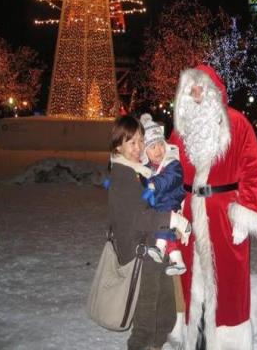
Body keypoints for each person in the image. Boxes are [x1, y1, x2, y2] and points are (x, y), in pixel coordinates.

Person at [168, 65, 257, 350]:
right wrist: (173, 206)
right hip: (189, 214)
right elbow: (171, 170)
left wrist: (245, 213)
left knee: (227, 282)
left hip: (224, 216)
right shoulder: (181, 130)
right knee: (190, 278)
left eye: (200, 87)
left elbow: (252, 171)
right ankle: (195, 337)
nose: (196, 93)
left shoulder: (237, 123)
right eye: (191, 89)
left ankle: (225, 341)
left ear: (212, 89)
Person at [107, 115, 176, 350]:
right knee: (146, 317)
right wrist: (172, 220)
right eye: (132, 142)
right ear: (118, 146)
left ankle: (158, 342)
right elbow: (139, 219)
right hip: (140, 252)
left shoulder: (137, 170)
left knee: (163, 307)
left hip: (150, 247)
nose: (139, 147)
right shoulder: (123, 175)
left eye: (141, 140)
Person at [139, 113, 191, 276]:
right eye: (152, 147)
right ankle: (177, 261)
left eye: (161, 144)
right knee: (164, 229)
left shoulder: (172, 163)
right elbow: (144, 185)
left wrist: (155, 184)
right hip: (159, 205)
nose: (159, 150)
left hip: (172, 201)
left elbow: (171, 179)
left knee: (163, 218)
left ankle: (160, 248)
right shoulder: (147, 168)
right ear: (145, 152)